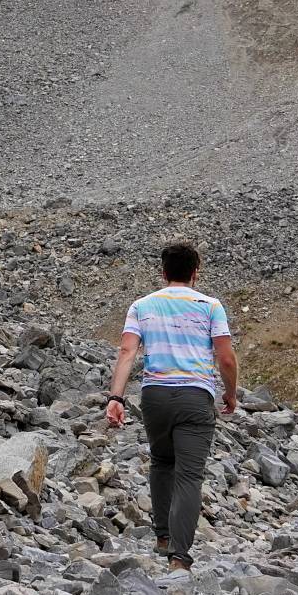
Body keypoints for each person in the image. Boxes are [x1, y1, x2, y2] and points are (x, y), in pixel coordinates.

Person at [105, 241, 238, 571]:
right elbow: (225, 357)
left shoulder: (142, 306)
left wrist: (116, 398)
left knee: (162, 462)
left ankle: (163, 536)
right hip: (195, 396)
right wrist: (230, 393)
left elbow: (126, 352)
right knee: (189, 476)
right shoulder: (210, 306)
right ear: (195, 273)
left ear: (163, 272)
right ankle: (179, 558)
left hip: (155, 398)